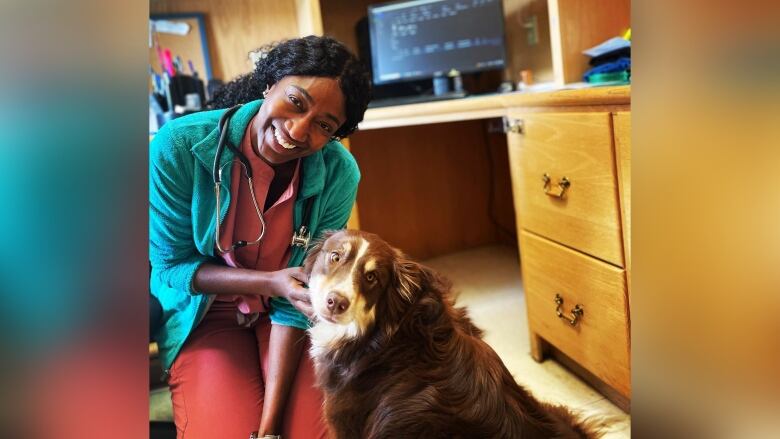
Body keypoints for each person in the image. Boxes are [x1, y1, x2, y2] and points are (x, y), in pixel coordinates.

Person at [149, 35, 371, 438]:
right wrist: (269, 282)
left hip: (289, 316)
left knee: (315, 432)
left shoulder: (340, 173)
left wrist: (269, 430)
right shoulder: (178, 145)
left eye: (324, 125)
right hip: (205, 312)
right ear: (269, 84)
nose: (298, 131)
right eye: (296, 101)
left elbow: (301, 291)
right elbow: (170, 267)